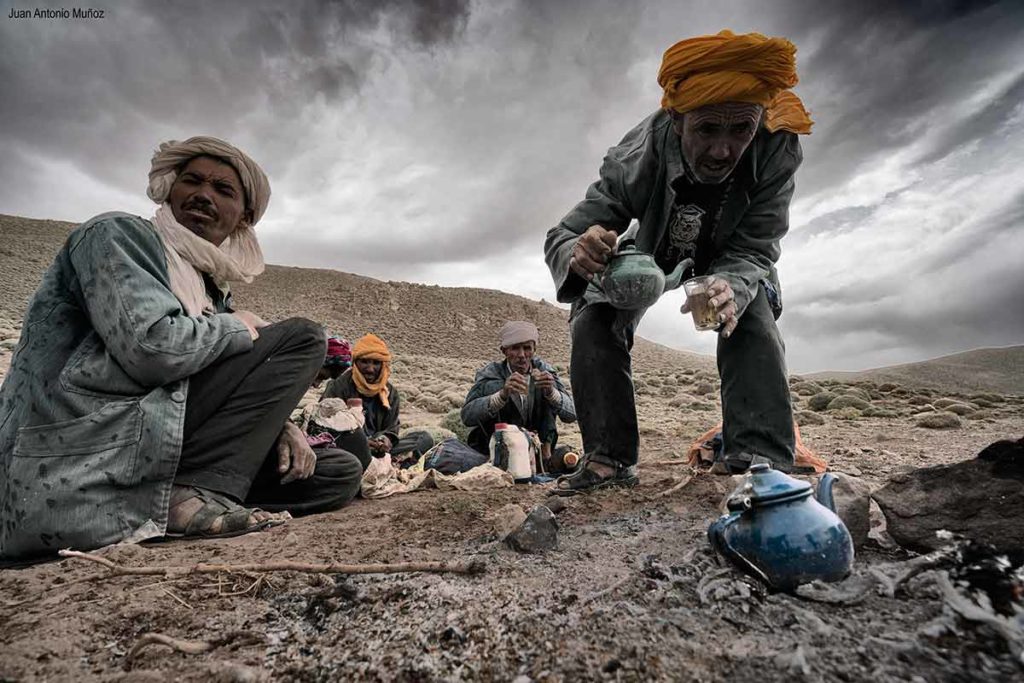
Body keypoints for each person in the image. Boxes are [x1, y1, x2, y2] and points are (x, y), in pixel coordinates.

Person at [0, 136, 363, 562]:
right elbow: (153, 351)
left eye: (223, 190)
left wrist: (281, 425)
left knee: (338, 472)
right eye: (192, 181)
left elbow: (207, 377)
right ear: (170, 189)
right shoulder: (117, 236)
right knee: (304, 337)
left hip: (157, 448)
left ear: (243, 218)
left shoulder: (209, 289)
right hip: (84, 456)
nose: (203, 194)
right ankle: (187, 501)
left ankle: (184, 500)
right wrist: (233, 325)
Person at [543, 31, 813, 494]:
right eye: (707, 129)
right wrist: (582, 252)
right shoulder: (639, 154)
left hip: (733, 254)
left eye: (741, 130)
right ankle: (609, 458)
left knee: (748, 319)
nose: (724, 150)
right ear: (676, 117)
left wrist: (732, 285)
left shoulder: (777, 148)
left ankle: (759, 462)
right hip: (652, 252)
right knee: (593, 321)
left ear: (760, 121)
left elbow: (758, 244)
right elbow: (564, 234)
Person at [460, 321, 577, 464]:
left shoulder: (545, 372)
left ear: (534, 349)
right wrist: (502, 395)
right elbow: (467, 416)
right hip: (493, 451)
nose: (522, 355)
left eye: (527, 348)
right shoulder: (491, 374)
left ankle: (545, 456)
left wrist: (552, 393)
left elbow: (571, 415)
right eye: (515, 348)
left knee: (546, 391)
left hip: (536, 453)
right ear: (504, 351)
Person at [321, 333, 434, 464]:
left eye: (376, 363)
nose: (370, 369)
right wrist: (359, 442)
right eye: (364, 361)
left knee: (424, 438)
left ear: (383, 365)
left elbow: (392, 427)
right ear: (355, 363)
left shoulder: (390, 392)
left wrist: (385, 439)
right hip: (348, 446)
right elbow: (323, 425)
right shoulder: (339, 386)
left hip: (378, 447)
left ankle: (384, 460)